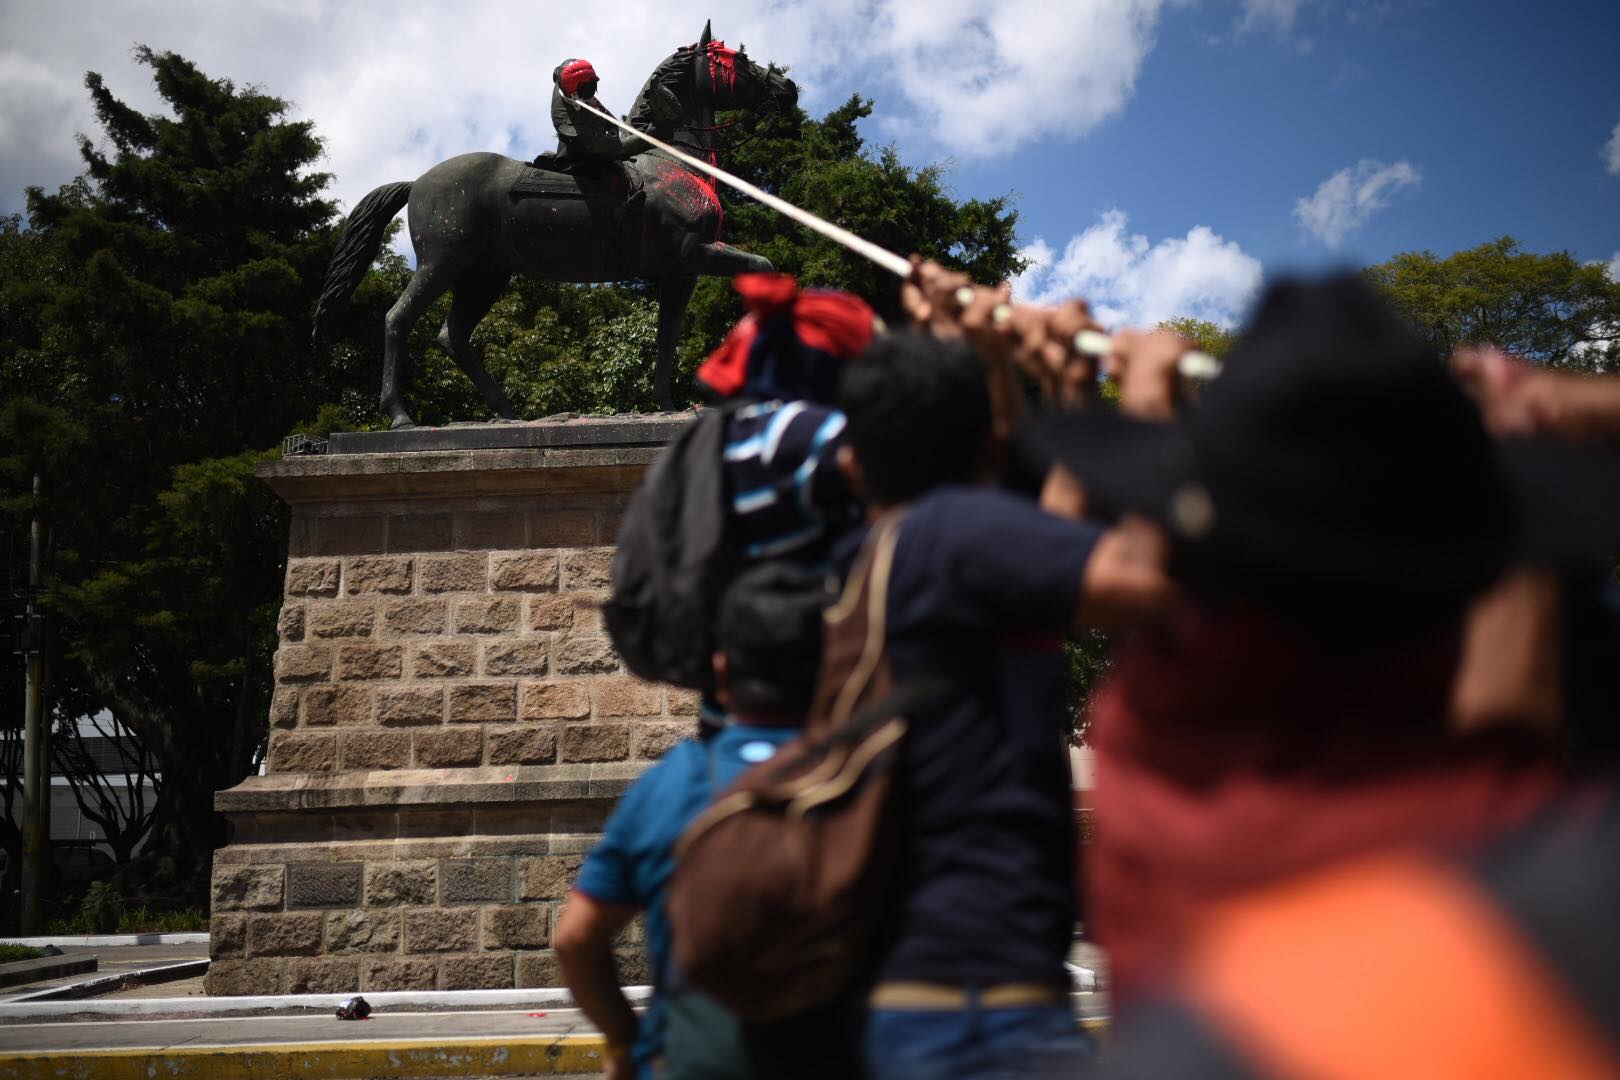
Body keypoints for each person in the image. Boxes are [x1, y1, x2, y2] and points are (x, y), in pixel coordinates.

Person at [1034, 275, 1615, 1007]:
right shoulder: (1496, 827)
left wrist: (1136, 399)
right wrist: (1516, 447)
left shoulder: (1147, 747)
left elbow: (1119, 568)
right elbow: (1517, 691)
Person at [830, 330, 1172, 1080]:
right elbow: (1147, 579)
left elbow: (1054, 529)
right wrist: (1145, 408)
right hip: (984, 1020)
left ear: (853, 461)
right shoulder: (960, 533)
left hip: (914, 1000)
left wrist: (1063, 389)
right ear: (987, 447)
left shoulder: (881, 553)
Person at [555, 564, 840, 1080]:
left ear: (723, 675)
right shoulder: (867, 778)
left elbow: (576, 939)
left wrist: (624, 1042)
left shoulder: (671, 784)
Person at [545, 58, 646, 171]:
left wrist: (613, 134)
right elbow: (584, 139)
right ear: (573, 92)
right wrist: (616, 145)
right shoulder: (562, 112)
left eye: (592, 86)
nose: (590, 95)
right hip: (577, 159)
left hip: (600, 141)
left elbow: (609, 119)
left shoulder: (585, 92)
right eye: (586, 91)